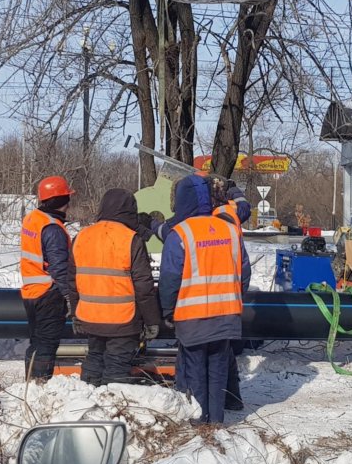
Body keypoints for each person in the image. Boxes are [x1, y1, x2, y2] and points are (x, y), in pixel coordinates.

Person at [159, 174, 251, 424]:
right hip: (226, 317)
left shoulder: (180, 234)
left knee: (195, 372)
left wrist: (168, 310)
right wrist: (235, 299)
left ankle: (200, 425)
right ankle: (217, 422)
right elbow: (244, 271)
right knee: (218, 371)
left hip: (192, 319)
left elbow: (169, 278)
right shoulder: (230, 230)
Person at [68, 188, 161, 386]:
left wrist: (76, 314)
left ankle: (87, 400)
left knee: (94, 358)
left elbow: (72, 282)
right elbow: (144, 286)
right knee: (117, 366)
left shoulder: (82, 237)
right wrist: (152, 320)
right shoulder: (131, 239)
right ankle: (112, 403)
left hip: (90, 317)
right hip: (122, 320)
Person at [20, 175, 74, 380]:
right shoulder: (53, 228)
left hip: (31, 292)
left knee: (36, 343)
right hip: (49, 295)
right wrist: (69, 296)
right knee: (46, 346)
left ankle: (30, 384)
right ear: (63, 201)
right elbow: (59, 268)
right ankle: (39, 386)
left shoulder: (33, 219)